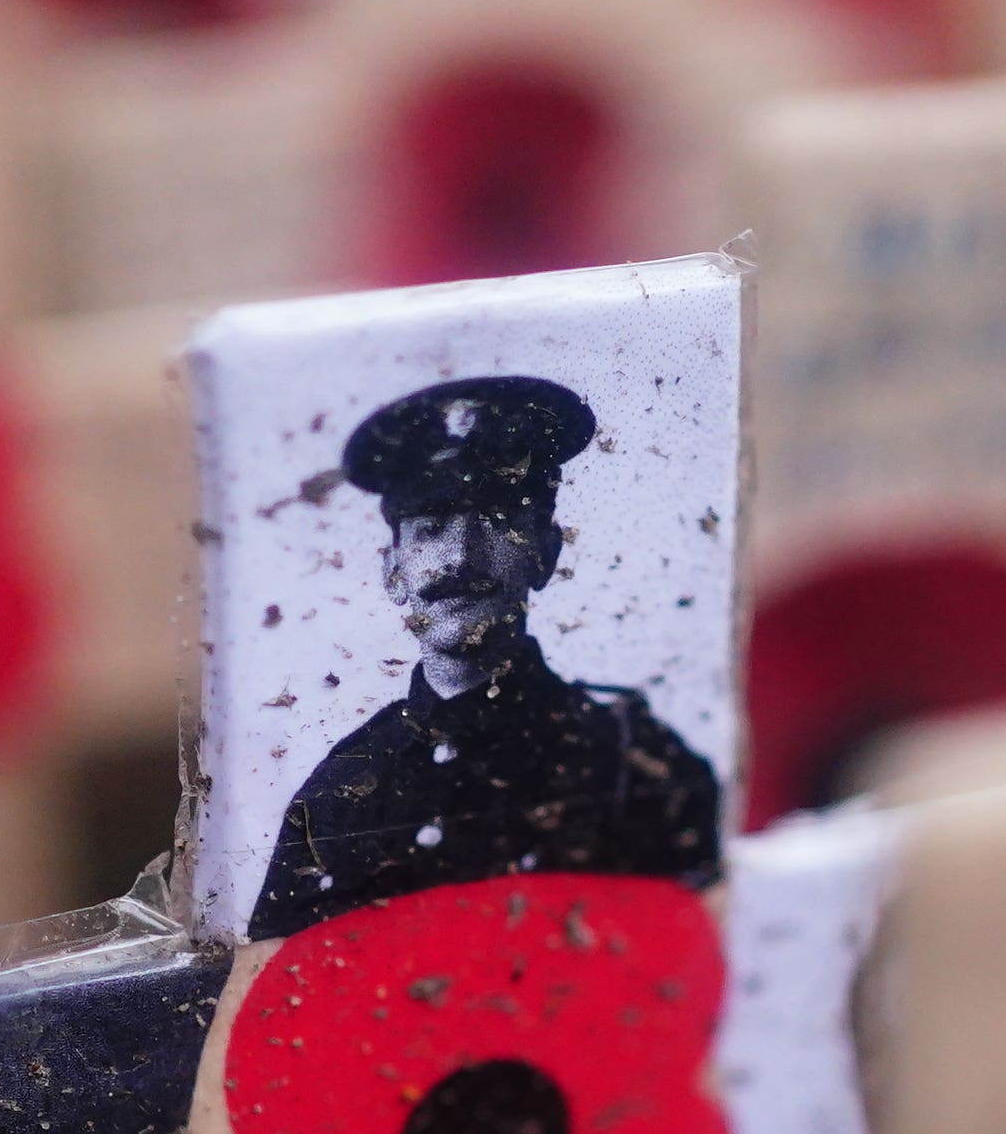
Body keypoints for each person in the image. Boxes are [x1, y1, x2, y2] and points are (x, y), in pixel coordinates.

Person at [245, 374, 723, 937]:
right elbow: (273, 998)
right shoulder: (337, 796)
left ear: (545, 555)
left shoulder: (633, 761)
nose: (459, 560)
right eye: (429, 529)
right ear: (393, 573)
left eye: (495, 521)